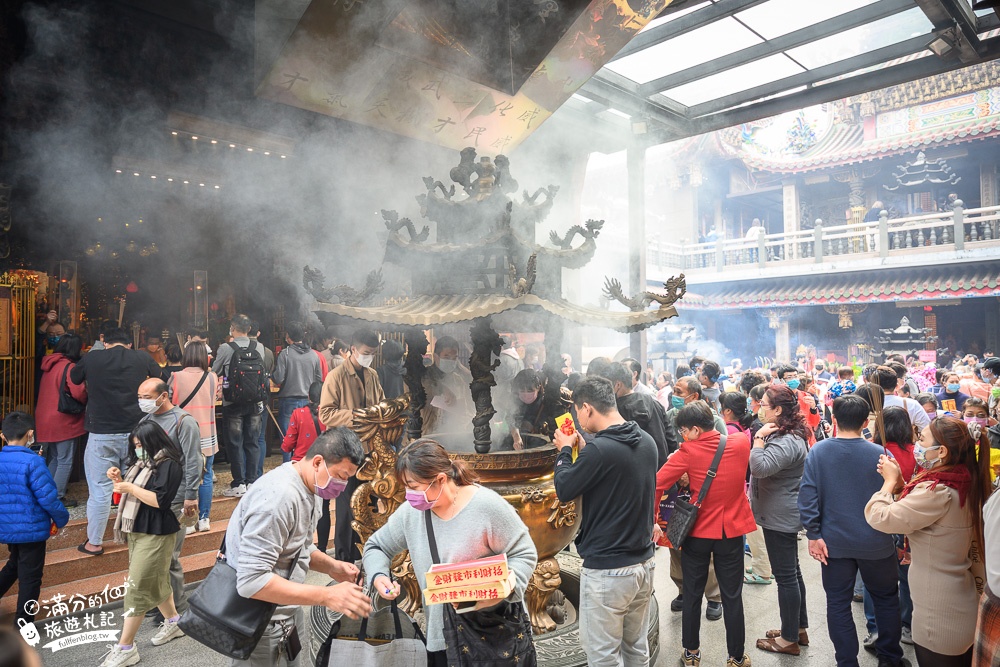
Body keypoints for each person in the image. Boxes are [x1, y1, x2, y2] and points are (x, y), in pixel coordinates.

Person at [364, 440, 537, 667]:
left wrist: (497, 591)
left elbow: (525, 553)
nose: (408, 495)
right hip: (442, 637)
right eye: (405, 487)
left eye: (413, 487)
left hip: (491, 633)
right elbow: (376, 546)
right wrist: (378, 576)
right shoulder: (411, 514)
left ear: (440, 479)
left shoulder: (487, 506)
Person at [225, 427, 372, 667]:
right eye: (342, 475)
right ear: (317, 462)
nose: (344, 485)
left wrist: (332, 567)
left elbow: (299, 546)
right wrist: (326, 596)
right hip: (258, 622)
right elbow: (251, 581)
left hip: (285, 614)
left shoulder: (310, 486)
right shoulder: (277, 499)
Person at [868, 416, 992, 666]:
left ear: (942, 451)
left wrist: (889, 483)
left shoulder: (937, 490)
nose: (916, 445)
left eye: (921, 439)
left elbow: (880, 517)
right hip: (959, 596)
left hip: (939, 608)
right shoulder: (967, 479)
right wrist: (902, 486)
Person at [553, 376, 657, 667]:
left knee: (603, 655)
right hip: (644, 564)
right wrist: (586, 449)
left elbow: (564, 489)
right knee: (636, 646)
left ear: (586, 408)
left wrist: (564, 450)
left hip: (608, 572)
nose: (576, 417)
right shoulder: (646, 441)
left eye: (576, 411)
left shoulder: (599, 451)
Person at [798, 394, 906, 667]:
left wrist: (813, 533)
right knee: (886, 599)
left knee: (838, 603)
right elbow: (898, 494)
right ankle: (891, 659)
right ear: (866, 421)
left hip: (833, 544)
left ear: (833, 419)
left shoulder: (819, 451)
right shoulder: (881, 454)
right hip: (877, 542)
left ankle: (847, 662)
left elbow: (807, 496)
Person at [656, 401, 756, 667]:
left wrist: (652, 520)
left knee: (692, 593)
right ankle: (736, 657)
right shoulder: (740, 443)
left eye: (684, 431)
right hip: (731, 532)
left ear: (696, 430)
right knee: (732, 595)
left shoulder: (686, 453)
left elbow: (656, 484)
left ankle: (691, 653)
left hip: (697, 533)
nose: (682, 436)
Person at [71, 326, 164, 556]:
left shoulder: (93, 357)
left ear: (105, 341)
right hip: (137, 433)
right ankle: (140, 536)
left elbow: (74, 377)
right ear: (129, 343)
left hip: (102, 433)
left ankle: (94, 542)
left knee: (100, 490)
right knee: (139, 484)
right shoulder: (141, 356)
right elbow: (160, 378)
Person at [101, 422, 188, 666]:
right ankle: (173, 622)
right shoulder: (142, 464)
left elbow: (160, 500)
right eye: (135, 445)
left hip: (158, 531)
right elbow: (127, 495)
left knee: (138, 586)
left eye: (141, 445)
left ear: (154, 441)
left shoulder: (170, 463)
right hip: (138, 529)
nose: (138, 449)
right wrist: (119, 479)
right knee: (156, 580)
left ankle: (126, 646)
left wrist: (130, 487)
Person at [749, 386, 810, 656]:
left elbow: (760, 467)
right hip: (780, 511)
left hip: (780, 515)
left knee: (785, 577)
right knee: (792, 573)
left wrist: (759, 440)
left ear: (778, 410)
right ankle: (797, 628)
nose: (759, 408)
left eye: (764, 404)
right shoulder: (787, 433)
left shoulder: (785, 439)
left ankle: (788, 640)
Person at [136, 378, 202, 621]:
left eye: (147, 396)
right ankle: (162, 601)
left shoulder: (183, 422)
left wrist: (190, 496)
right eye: (140, 397)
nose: (142, 402)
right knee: (156, 554)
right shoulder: (146, 420)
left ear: (163, 396)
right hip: (154, 496)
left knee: (170, 555)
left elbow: (194, 460)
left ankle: (178, 608)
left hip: (176, 496)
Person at [319, 328, 384, 563]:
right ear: (353, 350)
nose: (369, 357)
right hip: (345, 452)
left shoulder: (373, 375)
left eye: (373, 354)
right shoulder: (335, 376)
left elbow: (380, 405)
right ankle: (344, 560)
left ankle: (367, 554)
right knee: (346, 507)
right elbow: (325, 414)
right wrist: (355, 415)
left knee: (370, 503)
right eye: (366, 352)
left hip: (370, 450)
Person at [0, 412, 70, 627]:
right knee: (30, 578)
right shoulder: (34, 462)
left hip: (8, 527)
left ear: (3, 435)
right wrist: (61, 518)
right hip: (31, 529)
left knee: (14, 564)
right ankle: (23, 624)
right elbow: (48, 498)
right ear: (30, 433)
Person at [211, 314, 266, 497]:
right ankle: (252, 481)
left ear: (232, 328)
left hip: (232, 402)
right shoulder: (259, 347)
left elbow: (214, 371)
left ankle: (238, 484)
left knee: (235, 443)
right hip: (255, 402)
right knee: (253, 441)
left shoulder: (226, 348)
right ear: (249, 329)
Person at [168, 343, 219, 533]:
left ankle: (188, 522)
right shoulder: (213, 377)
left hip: (182, 435)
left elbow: (168, 402)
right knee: (205, 477)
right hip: (208, 435)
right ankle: (204, 519)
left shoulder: (175, 377)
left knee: (184, 477)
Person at [36, 333, 87, 507]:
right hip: (62, 418)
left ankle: (46, 493)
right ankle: (56, 496)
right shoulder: (69, 367)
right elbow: (78, 392)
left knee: (55, 457)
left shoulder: (49, 363)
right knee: (65, 459)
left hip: (45, 416)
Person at [282, 382, 333, 552]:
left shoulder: (298, 414)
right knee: (323, 509)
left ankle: (300, 547)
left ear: (309, 396)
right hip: (324, 468)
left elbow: (287, 446)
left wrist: (287, 443)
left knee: (301, 509)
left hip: (301, 469)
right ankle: (323, 548)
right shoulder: (330, 416)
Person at [605, 361, 676, 467]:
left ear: (618, 385)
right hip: (660, 471)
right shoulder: (654, 403)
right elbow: (671, 439)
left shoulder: (614, 411)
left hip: (633, 473)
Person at [273, 322, 323, 464]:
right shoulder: (314, 355)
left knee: (287, 436)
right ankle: (307, 465)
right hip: (309, 401)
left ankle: (288, 467)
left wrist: (272, 376)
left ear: (288, 337)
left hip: (288, 399)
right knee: (307, 435)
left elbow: (279, 377)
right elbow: (319, 380)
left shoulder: (285, 354)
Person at [420, 336, 474, 434]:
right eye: (446, 357)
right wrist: (443, 389)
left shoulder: (458, 380)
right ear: (436, 356)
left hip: (453, 433)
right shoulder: (425, 376)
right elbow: (427, 386)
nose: (451, 361)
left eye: (454, 358)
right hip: (428, 431)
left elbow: (466, 409)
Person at [248, 322, 275, 482]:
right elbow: (270, 373)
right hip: (263, 397)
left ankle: (247, 475)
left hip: (243, 399)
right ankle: (258, 473)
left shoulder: (235, 349)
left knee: (247, 438)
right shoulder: (268, 352)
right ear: (258, 333)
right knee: (260, 437)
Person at [871, 366, 930, 432]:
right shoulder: (912, 405)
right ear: (897, 386)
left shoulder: (867, 405)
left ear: (872, 387)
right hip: (904, 442)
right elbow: (926, 429)